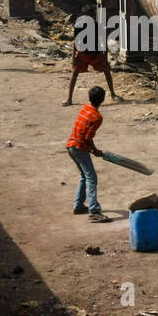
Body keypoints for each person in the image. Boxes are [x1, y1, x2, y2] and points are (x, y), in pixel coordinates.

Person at [66, 85, 109, 223]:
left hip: (71, 146)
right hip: (79, 148)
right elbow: (88, 137)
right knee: (92, 178)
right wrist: (95, 150)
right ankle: (94, 210)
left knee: (84, 176)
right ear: (102, 100)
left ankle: (78, 206)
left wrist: (93, 150)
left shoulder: (85, 108)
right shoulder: (97, 117)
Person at [63, 4, 120, 106]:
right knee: (74, 74)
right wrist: (73, 58)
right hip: (83, 54)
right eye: (90, 15)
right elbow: (75, 43)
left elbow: (104, 42)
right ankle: (69, 99)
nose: (92, 17)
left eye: (93, 15)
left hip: (96, 53)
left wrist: (105, 56)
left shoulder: (98, 26)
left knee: (107, 71)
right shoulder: (79, 26)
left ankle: (113, 94)